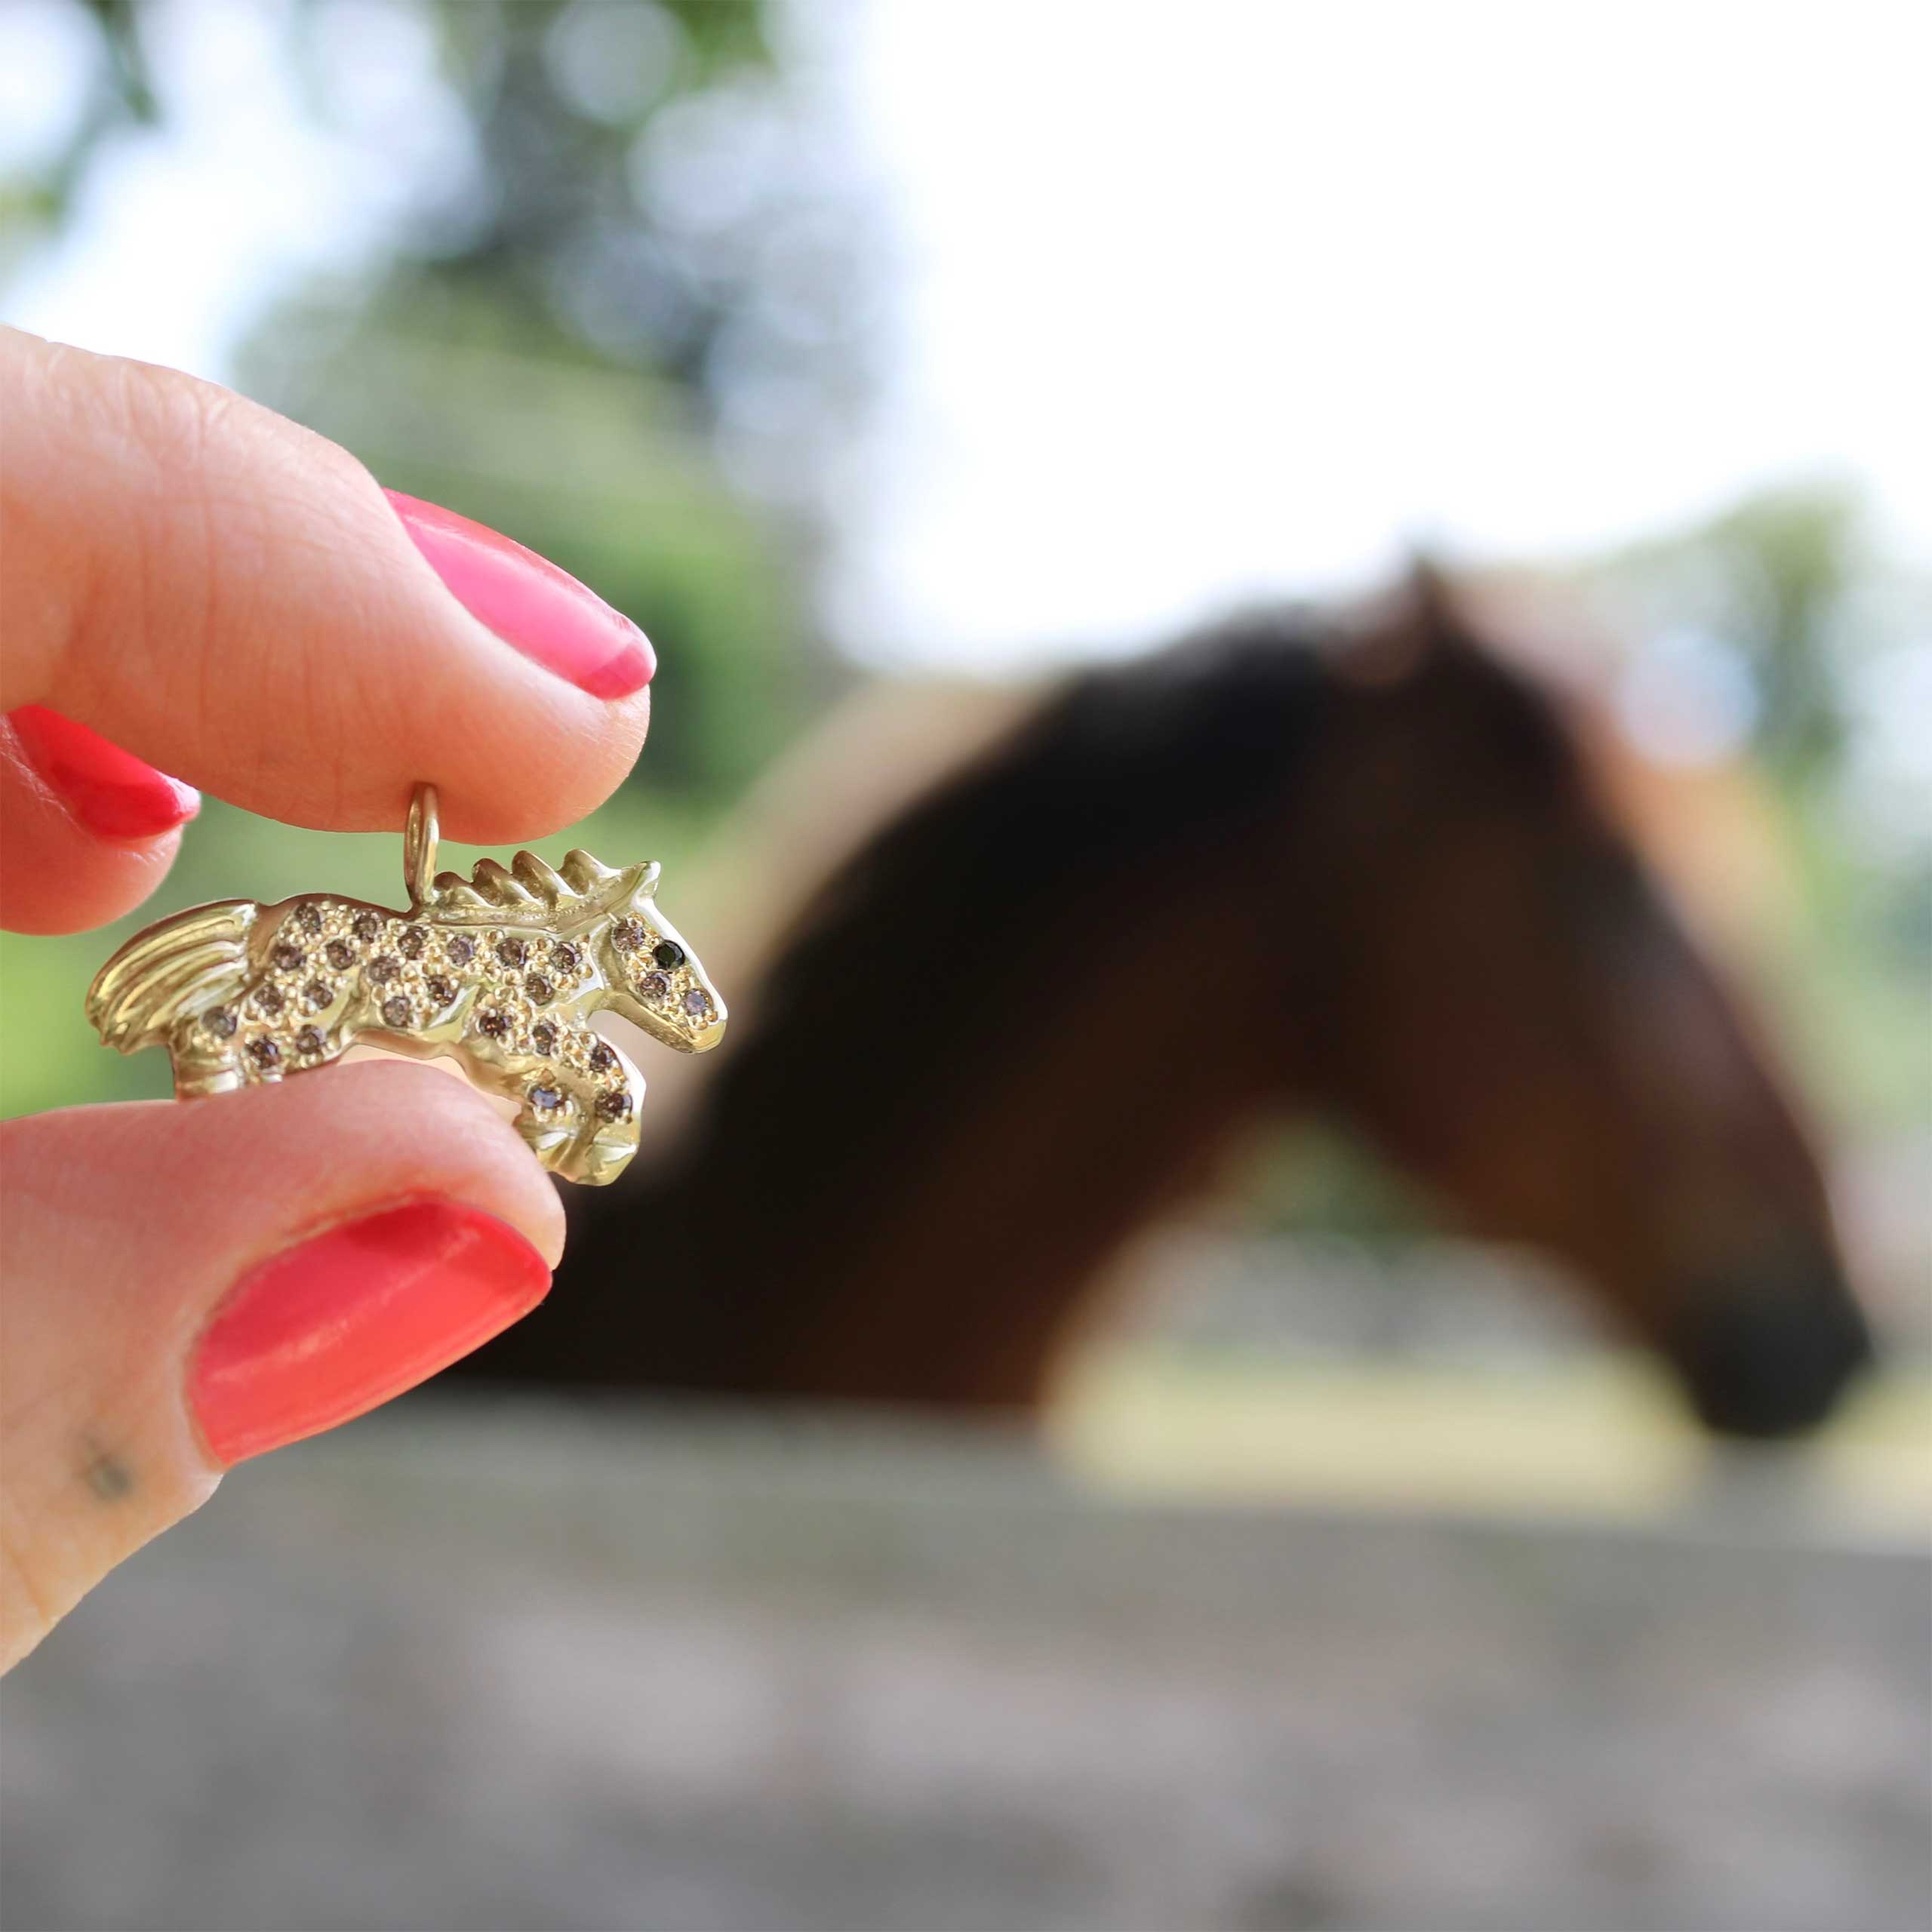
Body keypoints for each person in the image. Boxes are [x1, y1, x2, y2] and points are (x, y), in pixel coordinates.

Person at [0, 326, 654, 1671]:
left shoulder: (524, 962)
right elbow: (535, 1047)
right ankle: (220, 1056)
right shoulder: (503, 980)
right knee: (285, 1026)